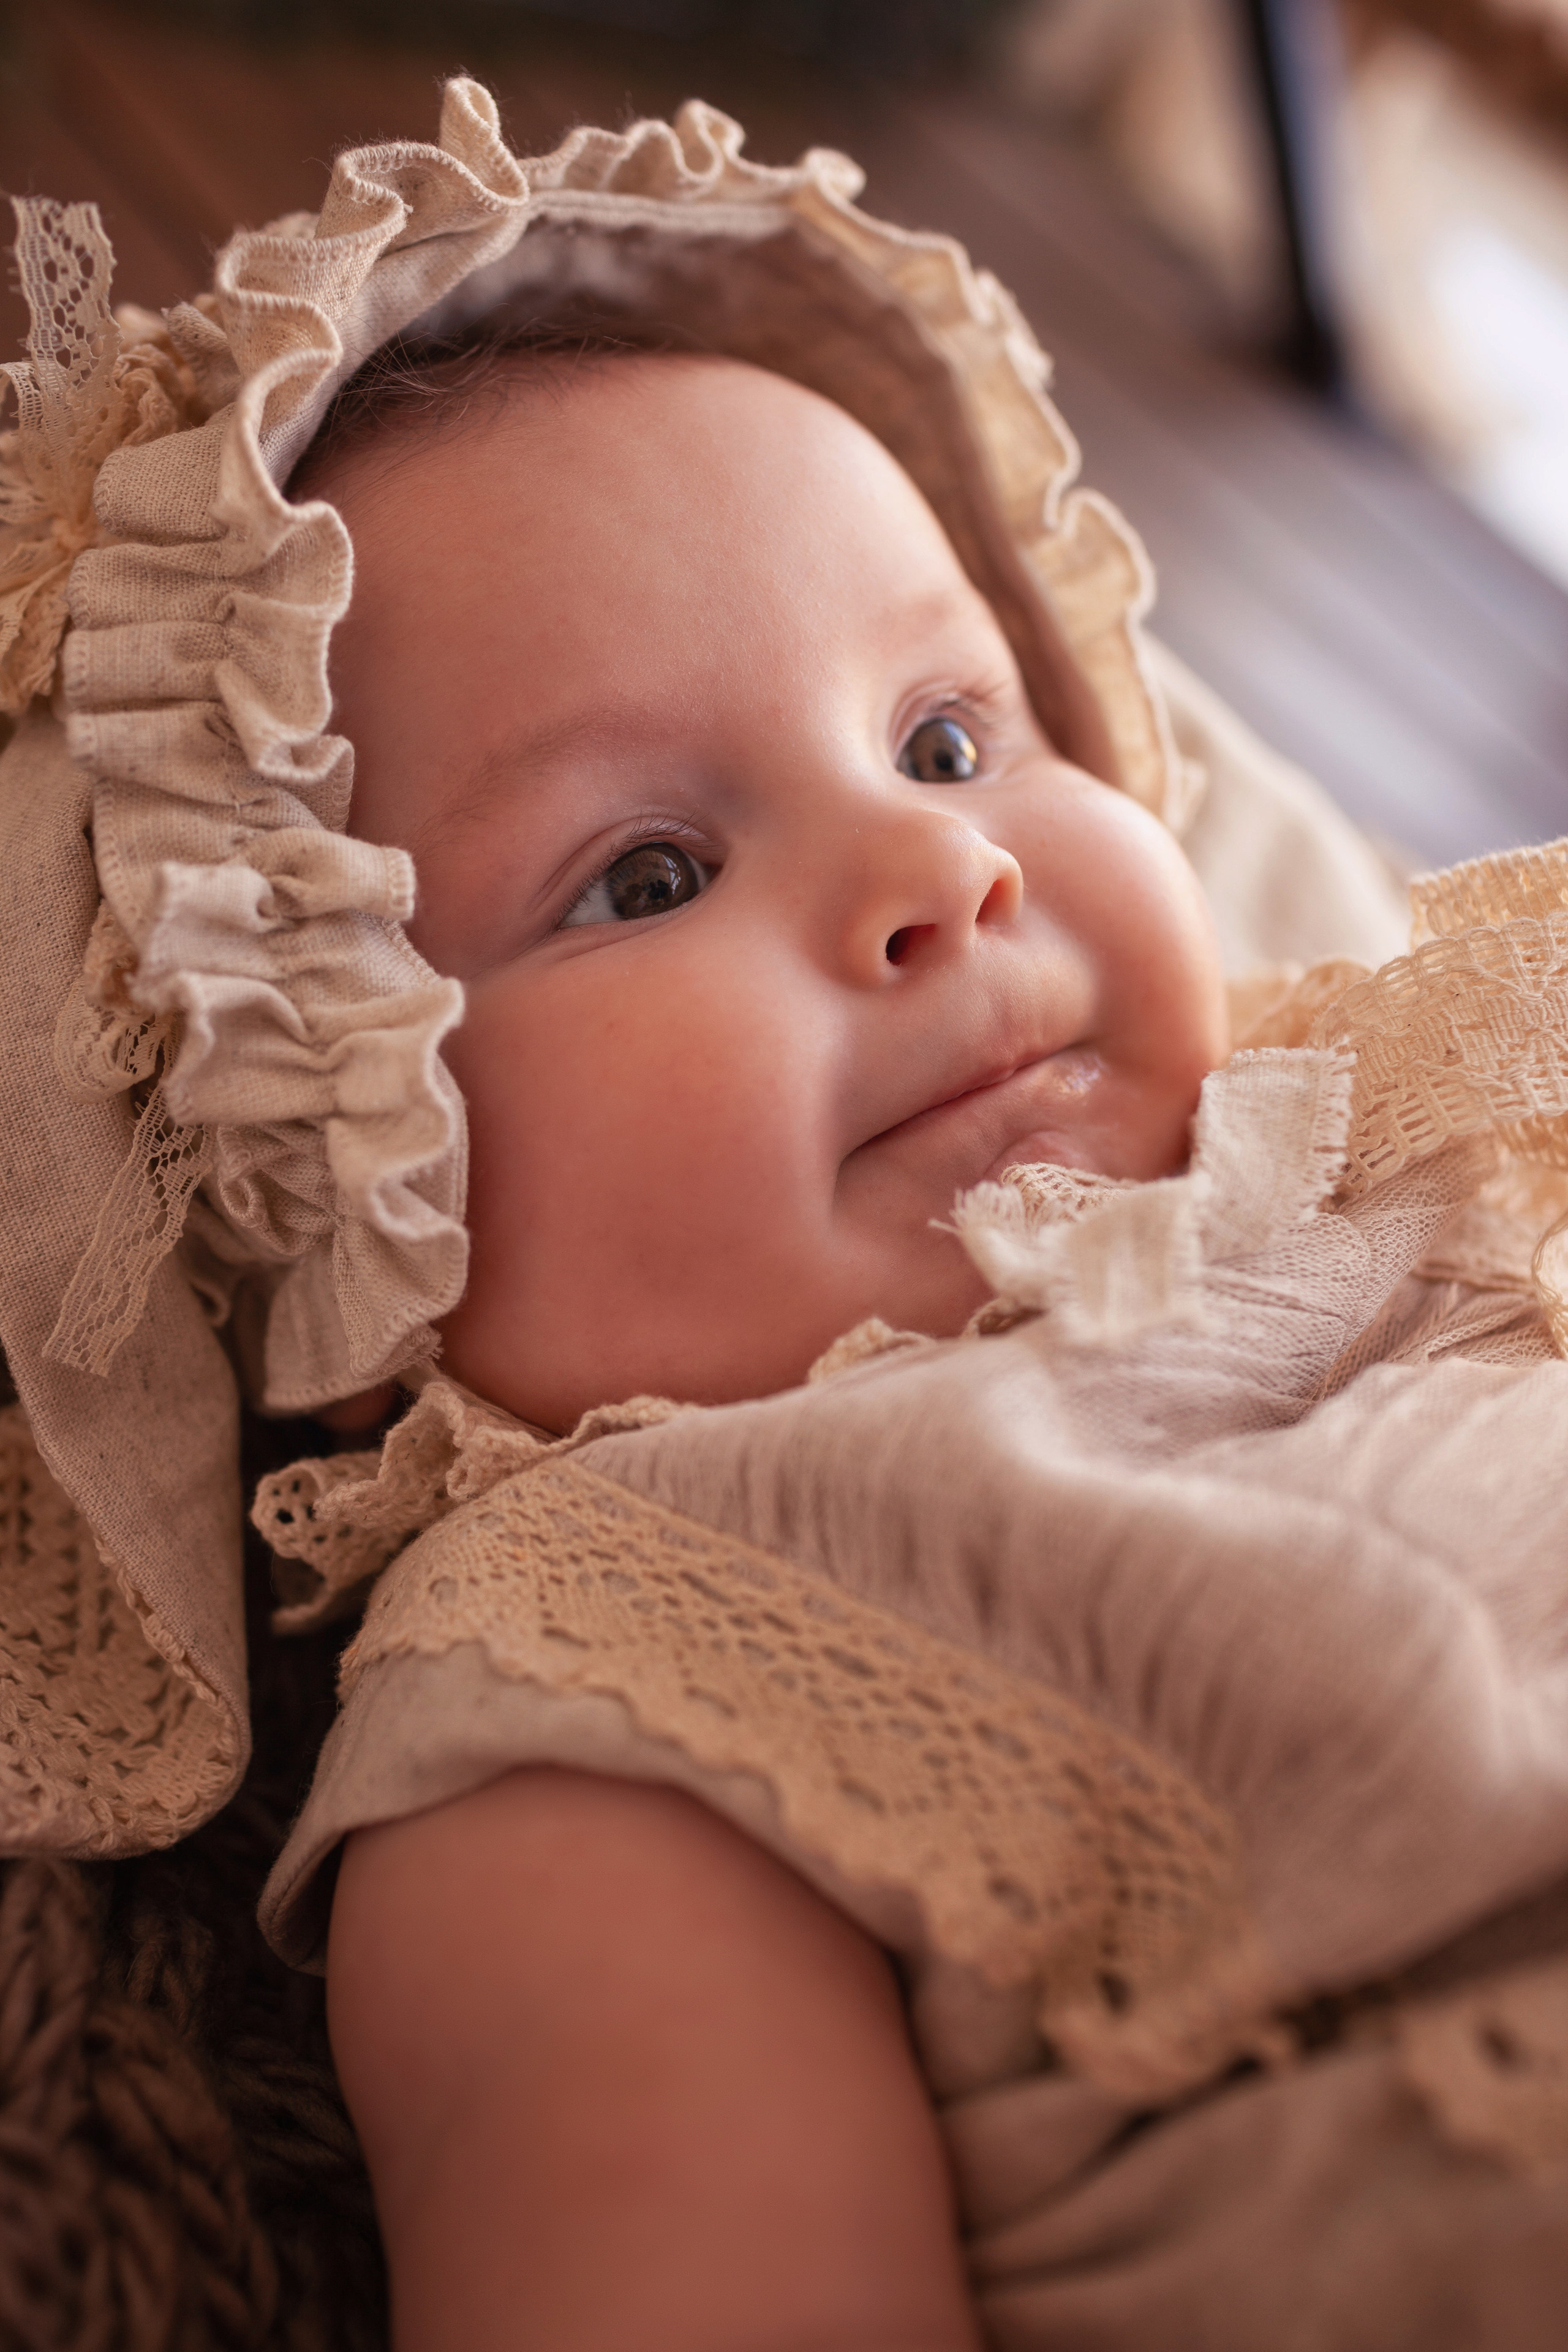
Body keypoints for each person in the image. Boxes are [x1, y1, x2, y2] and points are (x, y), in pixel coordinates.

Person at [4, 78, 1568, 2352]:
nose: (947, 868)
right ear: (320, 1150)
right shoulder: (590, 1677)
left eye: (949, 736)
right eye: (649, 874)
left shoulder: (1427, 1131)